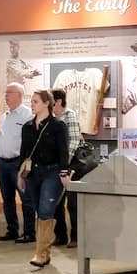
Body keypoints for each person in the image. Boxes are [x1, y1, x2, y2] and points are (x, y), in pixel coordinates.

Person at [17, 89, 70, 270]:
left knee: (47, 209)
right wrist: (20, 175)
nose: (32, 104)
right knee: (39, 210)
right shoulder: (27, 127)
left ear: (47, 103)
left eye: (36, 101)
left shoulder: (58, 126)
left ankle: (40, 253)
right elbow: (24, 153)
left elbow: (63, 151)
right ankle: (45, 253)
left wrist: (64, 173)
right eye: (31, 101)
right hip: (33, 172)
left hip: (52, 171)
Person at [0, 82, 34, 244]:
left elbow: (30, 142)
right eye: (5, 93)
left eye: (9, 93)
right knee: (7, 199)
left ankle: (29, 232)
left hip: (19, 163)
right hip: (3, 163)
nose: (6, 96)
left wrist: (26, 164)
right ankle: (12, 229)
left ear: (19, 95)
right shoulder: (3, 117)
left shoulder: (28, 115)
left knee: (26, 199)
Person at [51, 88, 81, 248]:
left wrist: (66, 161)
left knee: (73, 203)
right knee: (57, 202)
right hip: (57, 165)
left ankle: (76, 237)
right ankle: (60, 235)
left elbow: (75, 140)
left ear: (58, 101)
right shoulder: (50, 118)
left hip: (71, 164)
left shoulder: (70, 115)